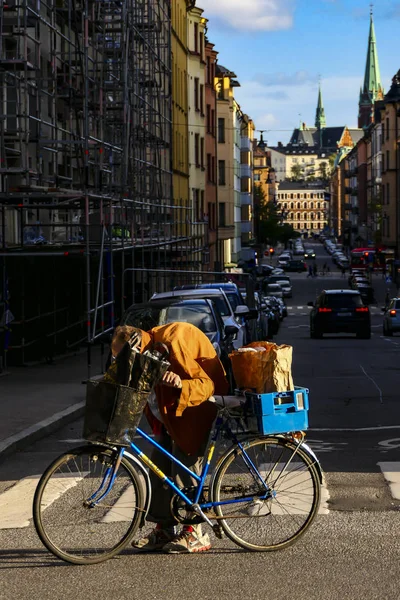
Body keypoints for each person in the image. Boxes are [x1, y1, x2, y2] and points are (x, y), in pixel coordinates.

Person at [110, 322, 229, 554]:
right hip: (171, 411)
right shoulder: (149, 351)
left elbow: (207, 385)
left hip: (196, 406)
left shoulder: (174, 343)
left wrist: (180, 383)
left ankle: (195, 532)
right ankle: (164, 528)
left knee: (183, 465)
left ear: (135, 346)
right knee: (159, 465)